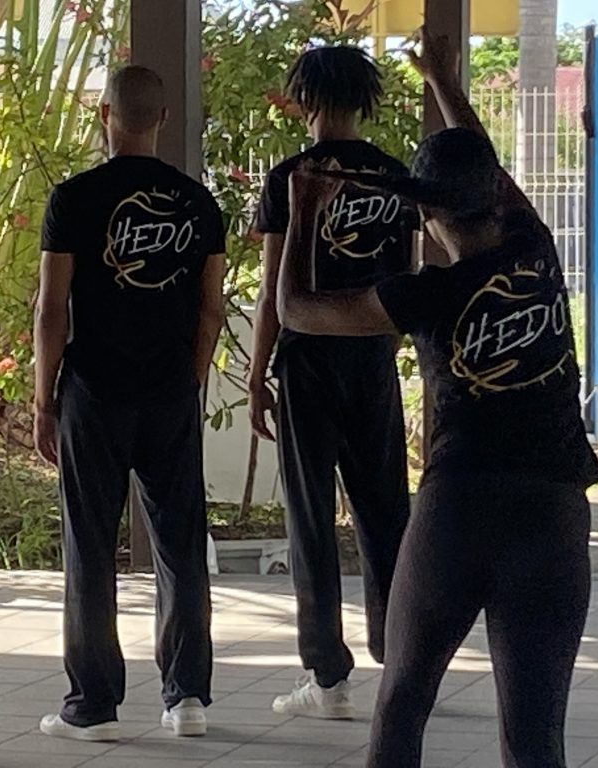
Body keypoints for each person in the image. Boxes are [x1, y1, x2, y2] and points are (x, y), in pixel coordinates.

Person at [275, 29, 598, 768]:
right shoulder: (534, 247)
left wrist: (303, 213)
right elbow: (482, 164)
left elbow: (297, 309)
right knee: (536, 736)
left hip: (458, 509)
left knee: (402, 704)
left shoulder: (424, 295)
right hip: (554, 510)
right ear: (495, 198)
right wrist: (443, 81)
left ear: (426, 217)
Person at [33, 65, 226, 743]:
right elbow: (211, 308)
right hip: (169, 391)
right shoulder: (198, 203)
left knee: (89, 546)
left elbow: (52, 308)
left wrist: (43, 398)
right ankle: (187, 697)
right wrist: (190, 381)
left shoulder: (74, 198)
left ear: (104, 115)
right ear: (162, 119)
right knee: (179, 545)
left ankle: (93, 704)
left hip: (94, 391)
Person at [249, 45, 416, 719]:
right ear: (363, 99)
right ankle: (401, 656)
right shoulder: (394, 177)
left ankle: (327, 679)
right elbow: (406, 279)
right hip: (372, 357)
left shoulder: (291, 177)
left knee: (310, 518)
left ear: (304, 99)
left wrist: (257, 373)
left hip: (308, 360)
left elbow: (273, 289)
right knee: (386, 513)